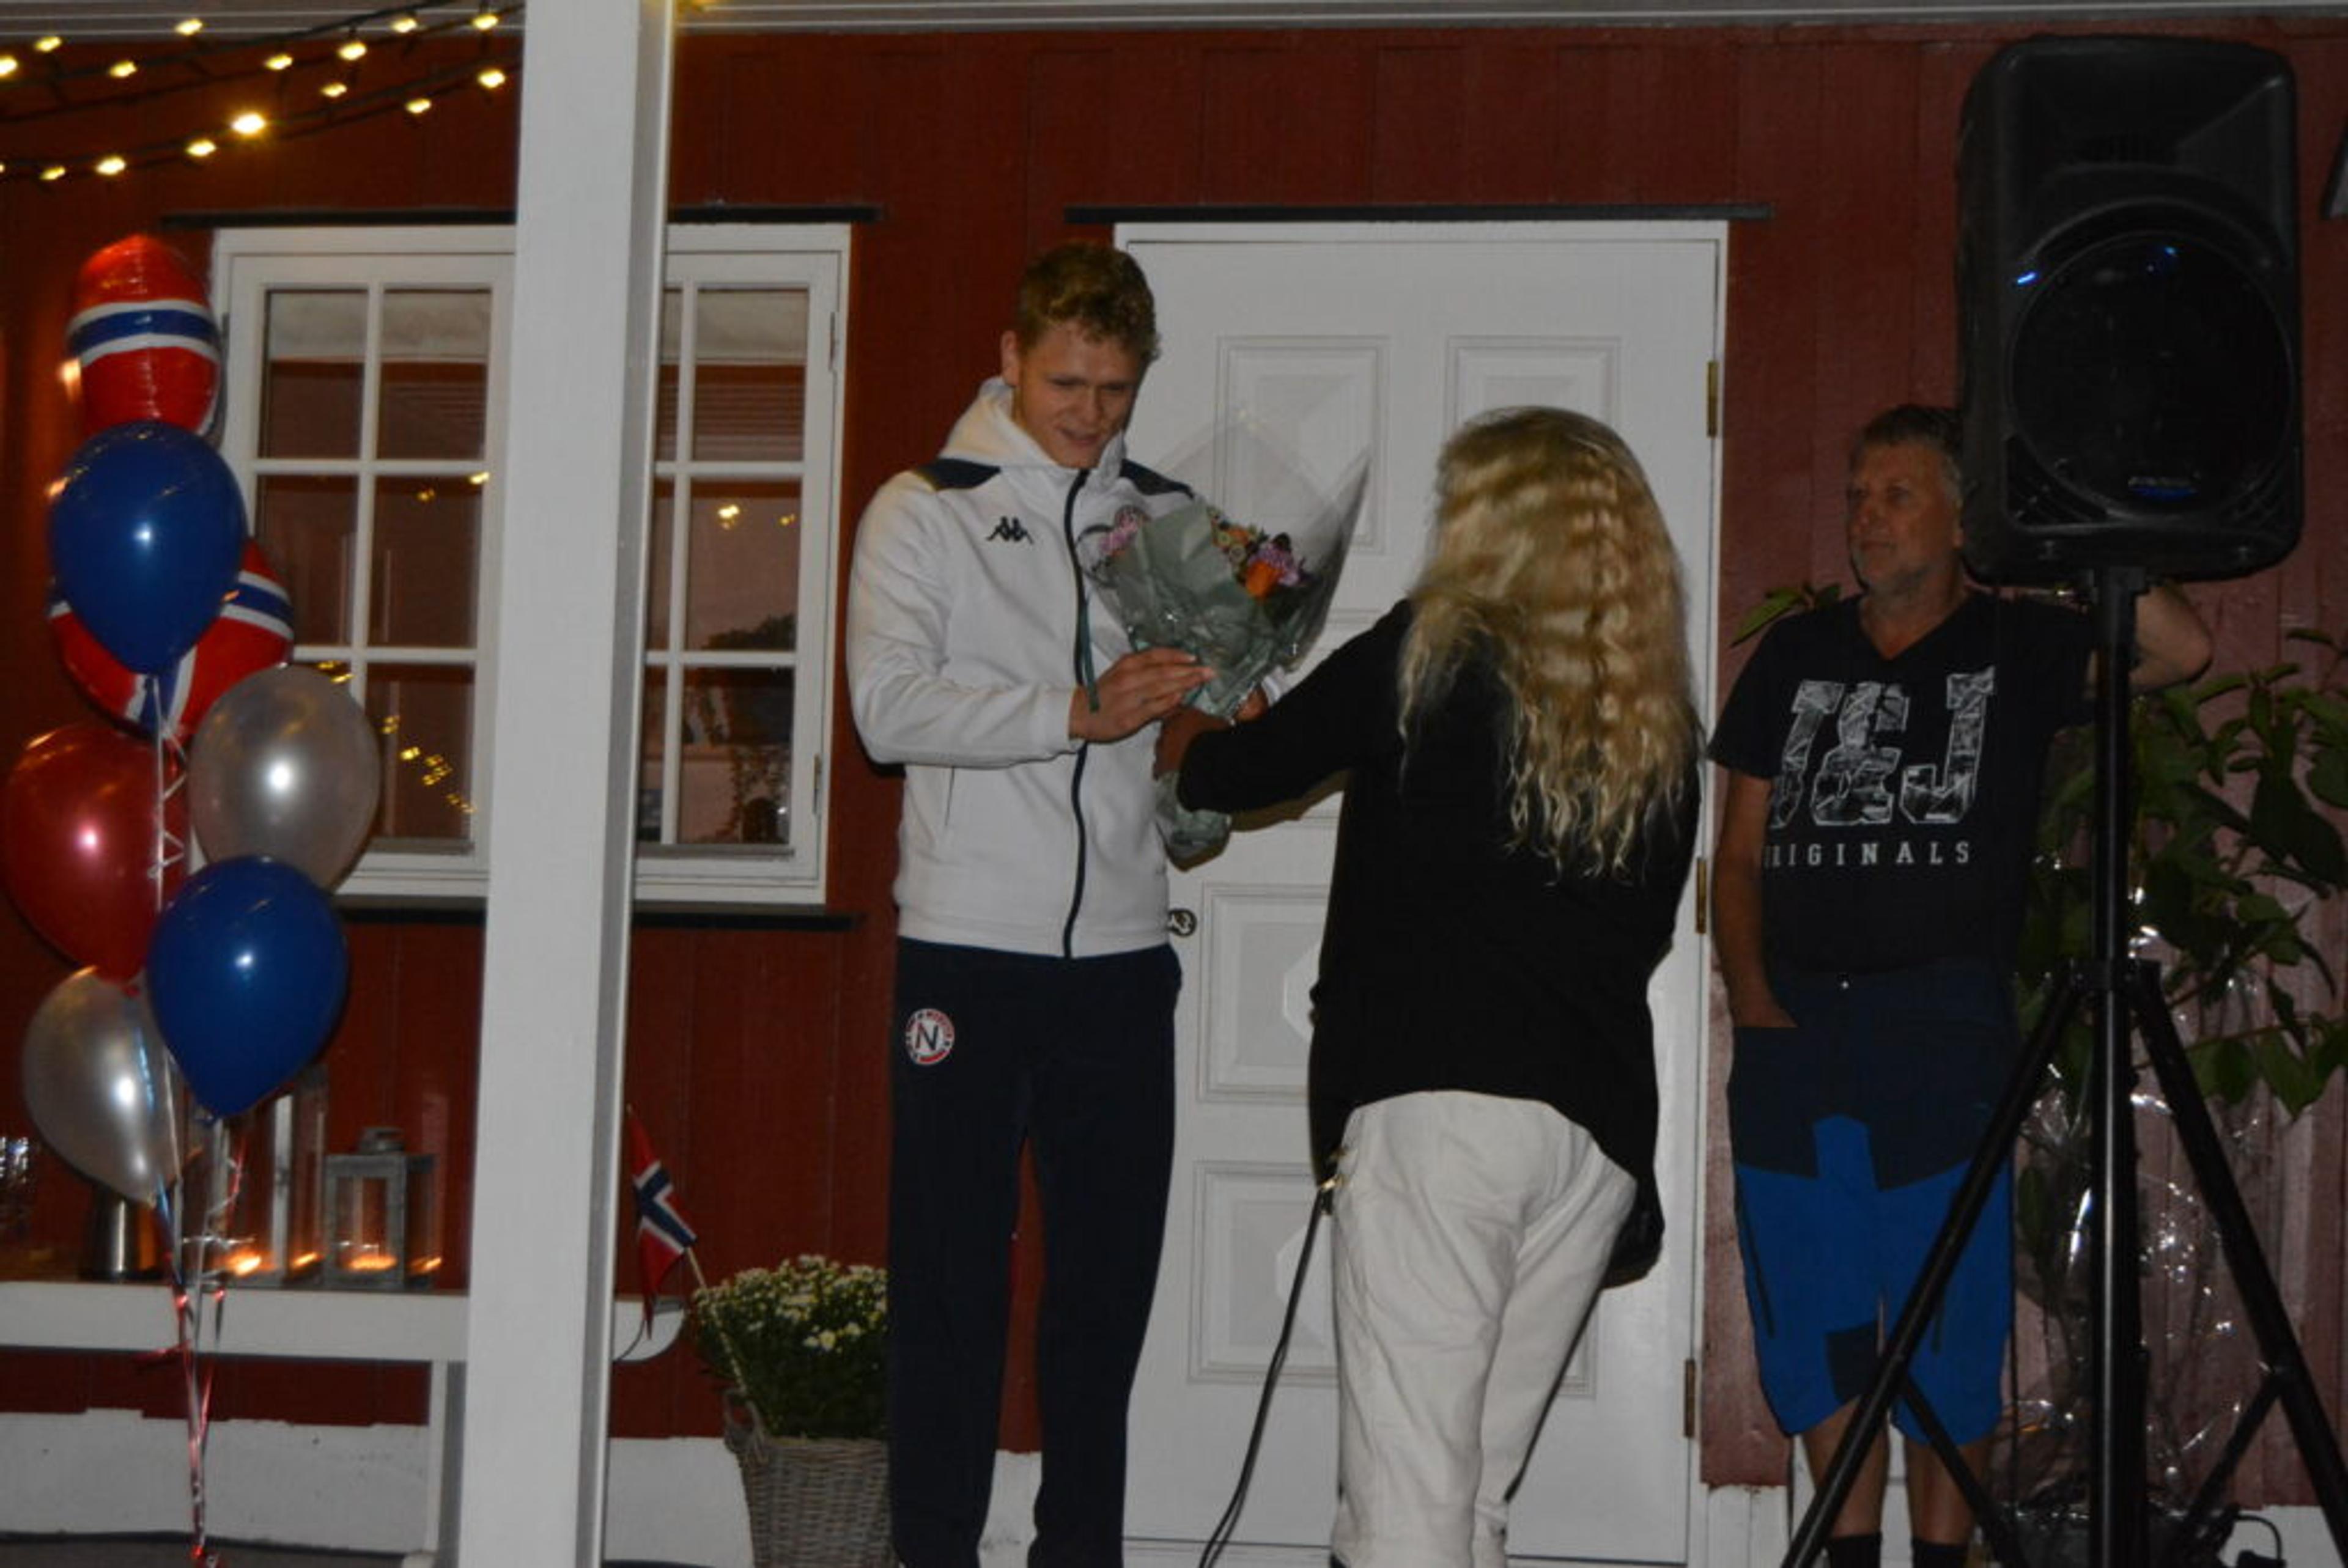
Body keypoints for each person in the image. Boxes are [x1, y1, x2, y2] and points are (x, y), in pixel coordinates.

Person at [1161, 407, 1703, 1568]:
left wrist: (1187, 736)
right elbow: (1648, 932)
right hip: (1593, 1137)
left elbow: (1246, 769)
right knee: (1468, 1500)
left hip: (1441, 1113)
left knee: (1410, 1502)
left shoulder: (1431, 650)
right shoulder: (1657, 723)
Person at [1709, 404, 2212, 1568]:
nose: (1866, 517)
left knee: (1949, 1332)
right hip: (1796, 1033)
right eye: (1857, 495)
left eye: (1896, 494)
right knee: (1821, 1329)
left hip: (1943, 1028)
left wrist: (2073, 525)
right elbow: (1736, 856)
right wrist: (1753, 1001)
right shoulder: (1794, 655)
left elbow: (2180, 651)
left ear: (1958, 517)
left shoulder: (2018, 644)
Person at [844, 240, 1213, 1568]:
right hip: (968, 951)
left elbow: (1191, 719)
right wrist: (1073, 710)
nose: (1091, 415)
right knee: (951, 1283)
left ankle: (1082, 1552)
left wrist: (1215, 738)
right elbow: (887, 710)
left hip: (1122, 956)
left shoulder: (1167, 519)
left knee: (1104, 1293)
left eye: (1117, 389)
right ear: (1010, 358)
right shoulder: (923, 508)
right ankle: (933, 1549)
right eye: (1067, 383)